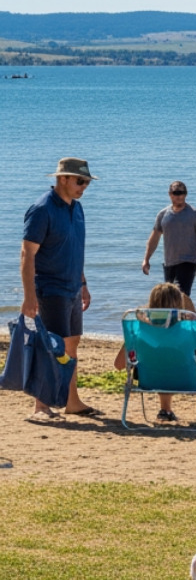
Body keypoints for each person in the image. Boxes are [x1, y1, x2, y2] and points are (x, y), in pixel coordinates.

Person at [21, 158, 98, 420]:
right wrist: (29, 296)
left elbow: (75, 249)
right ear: (62, 178)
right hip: (50, 288)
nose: (84, 186)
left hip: (73, 288)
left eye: (86, 181)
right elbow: (27, 254)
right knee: (52, 347)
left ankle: (71, 401)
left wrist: (84, 284)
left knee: (72, 345)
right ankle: (41, 406)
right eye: (80, 181)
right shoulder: (42, 209)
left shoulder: (77, 209)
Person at [113, 282, 196, 422]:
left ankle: (165, 411)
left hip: (151, 380)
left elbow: (118, 365)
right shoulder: (188, 330)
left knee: (160, 361)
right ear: (179, 304)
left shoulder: (139, 332)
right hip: (187, 380)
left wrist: (131, 340)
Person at [140, 181, 196, 296]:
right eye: (176, 193)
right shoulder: (163, 215)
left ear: (186, 194)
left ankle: (187, 314)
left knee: (179, 294)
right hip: (169, 263)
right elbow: (154, 238)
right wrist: (146, 259)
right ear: (170, 194)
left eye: (182, 192)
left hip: (188, 262)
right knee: (171, 297)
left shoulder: (195, 214)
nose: (180, 196)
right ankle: (188, 314)